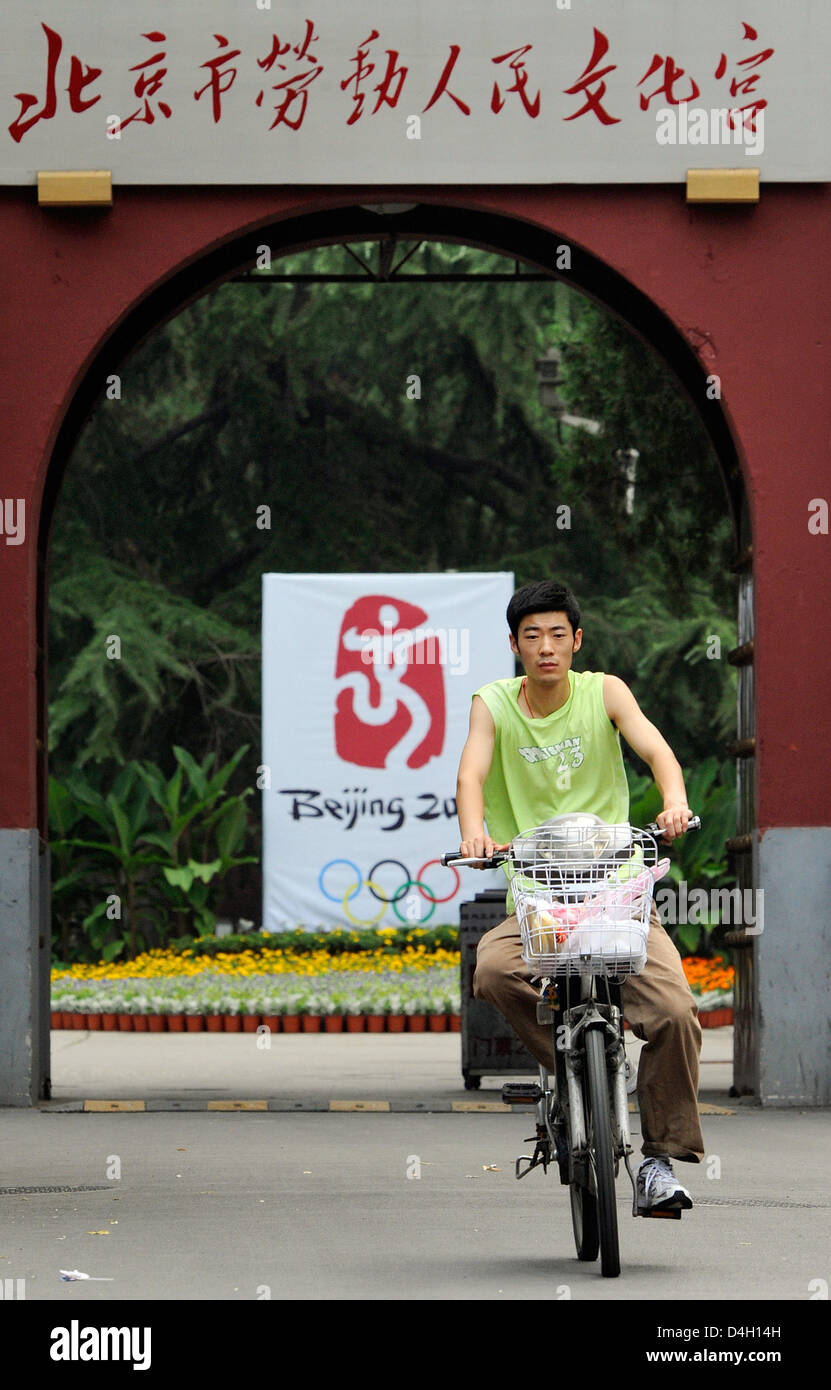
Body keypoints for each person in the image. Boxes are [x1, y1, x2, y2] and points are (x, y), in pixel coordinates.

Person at [456, 578, 704, 1216]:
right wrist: (475, 834)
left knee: (676, 1012)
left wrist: (673, 802)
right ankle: (576, 1071)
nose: (546, 647)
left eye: (558, 635)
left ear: (577, 641)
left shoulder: (605, 692)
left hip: (619, 894)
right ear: (514, 645)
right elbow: (472, 772)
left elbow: (656, 749)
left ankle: (656, 1160)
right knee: (490, 968)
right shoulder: (493, 704)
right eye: (532, 636)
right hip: (539, 900)